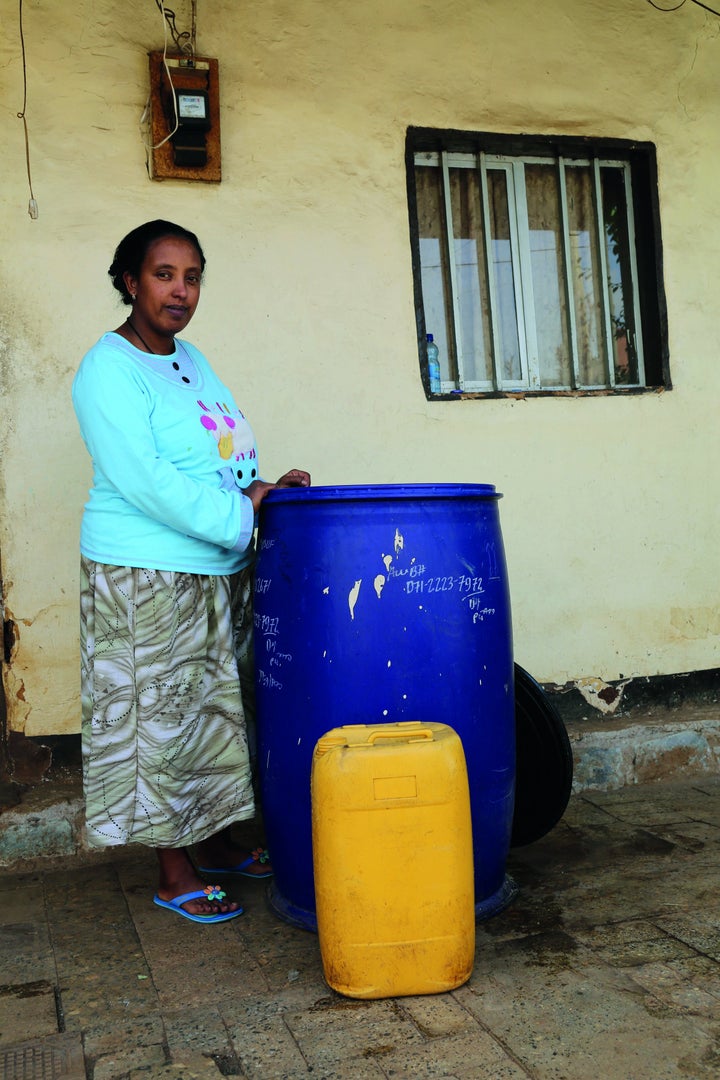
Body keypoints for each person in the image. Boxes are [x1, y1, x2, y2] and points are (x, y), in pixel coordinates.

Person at [72, 220, 310, 923]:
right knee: (157, 723)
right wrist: (245, 509)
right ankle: (172, 870)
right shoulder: (107, 368)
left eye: (193, 276)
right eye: (165, 274)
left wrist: (263, 485)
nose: (181, 290)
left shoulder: (191, 359)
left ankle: (216, 840)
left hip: (210, 569)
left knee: (212, 717)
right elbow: (144, 480)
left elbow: (210, 456)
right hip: (143, 575)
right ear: (130, 281)